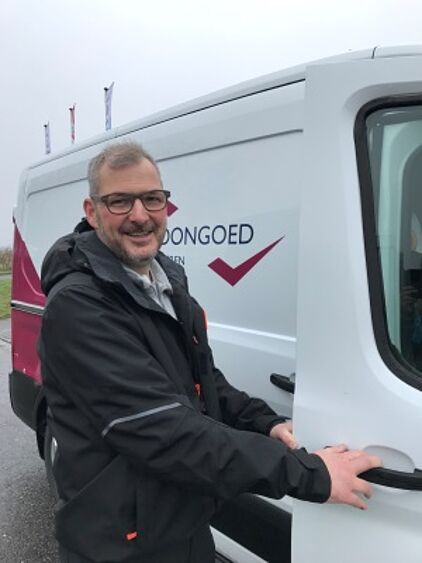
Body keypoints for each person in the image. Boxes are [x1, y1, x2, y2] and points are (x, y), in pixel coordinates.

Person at [38, 142, 381, 563]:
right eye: (120, 201)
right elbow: (164, 431)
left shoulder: (164, 279)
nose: (140, 215)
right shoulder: (78, 306)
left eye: (152, 199)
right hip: (121, 543)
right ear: (91, 212)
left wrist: (265, 422)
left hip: (182, 522)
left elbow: (202, 380)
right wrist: (311, 475)